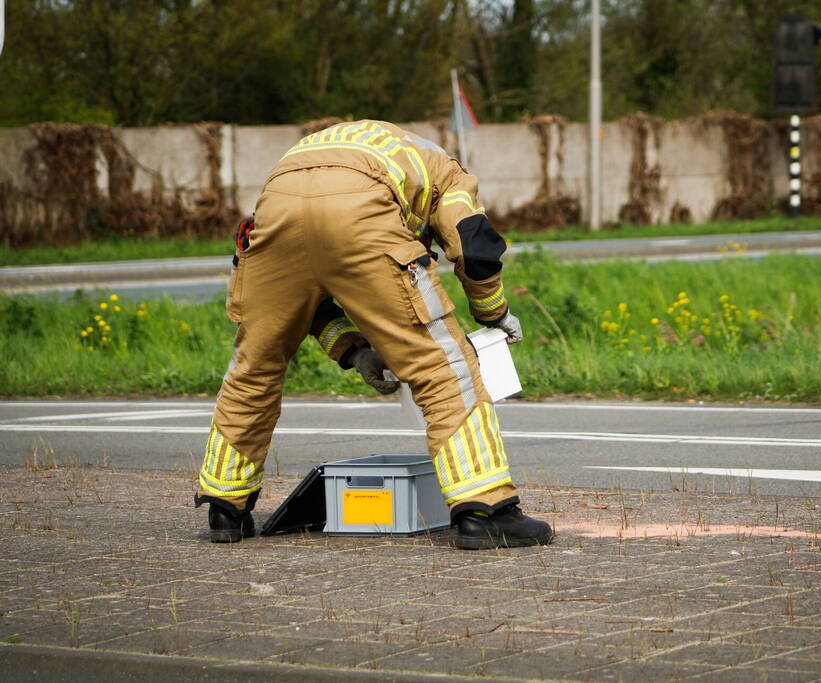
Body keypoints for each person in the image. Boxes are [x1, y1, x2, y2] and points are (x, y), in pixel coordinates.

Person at [194, 119, 553, 550]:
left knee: (255, 367)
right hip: (363, 210)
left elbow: (305, 299)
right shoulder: (447, 173)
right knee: (444, 368)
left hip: (275, 209)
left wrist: (355, 351)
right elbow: (473, 245)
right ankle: (486, 511)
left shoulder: (325, 147)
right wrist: (493, 311)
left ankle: (225, 505)